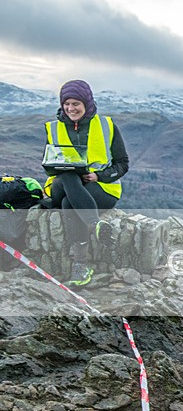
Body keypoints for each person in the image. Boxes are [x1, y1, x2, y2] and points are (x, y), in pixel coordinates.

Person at [42, 79, 129, 286]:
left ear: (86, 103)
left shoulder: (107, 126)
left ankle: (80, 265)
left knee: (69, 204)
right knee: (68, 175)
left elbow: (122, 164)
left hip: (100, 189)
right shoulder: (53, 128)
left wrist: (99, 176)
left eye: (76, 104)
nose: (70, 108)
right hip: (61, 186)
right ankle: (95, 224)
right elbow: (48, 162)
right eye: (66, 104)